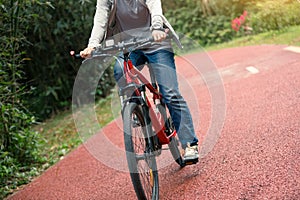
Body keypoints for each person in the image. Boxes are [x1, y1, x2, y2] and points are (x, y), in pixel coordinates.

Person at [80, 0, 199, 163]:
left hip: (156, 42)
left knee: (170, 93)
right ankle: (138, 111)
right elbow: (100, 18)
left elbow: (155, 6)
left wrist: (157, 27)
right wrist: (93, 44)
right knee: (120, 70)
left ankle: (189, 144)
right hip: (129, 46)